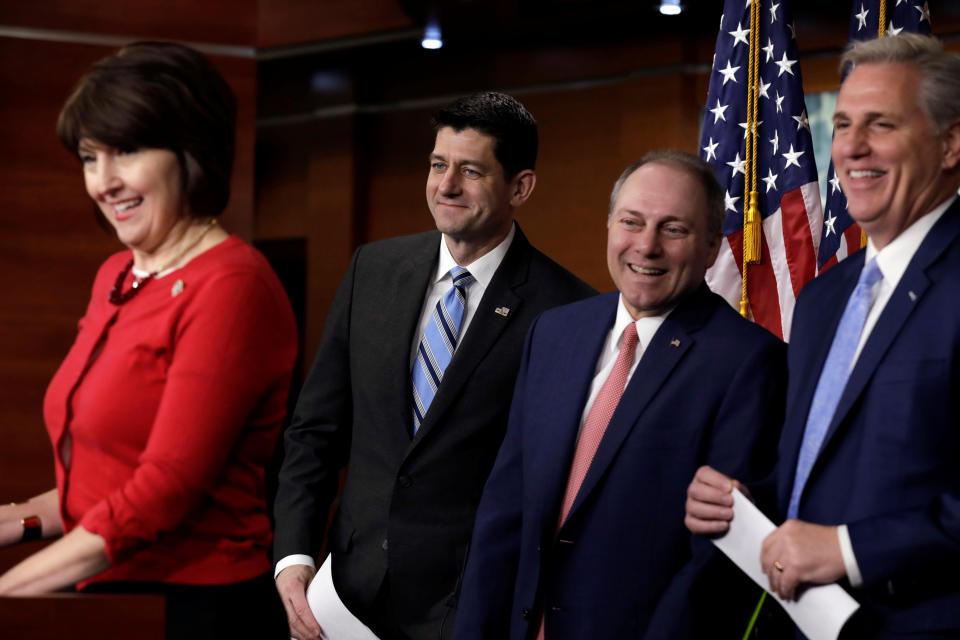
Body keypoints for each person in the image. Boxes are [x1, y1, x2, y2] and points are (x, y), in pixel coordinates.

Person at [272, 91, 595, 640]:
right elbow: (315, 431)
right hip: (342, 596)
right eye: (438, 165)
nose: (446, 186)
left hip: (470, 606)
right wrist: (294, 554)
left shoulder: (567, 311)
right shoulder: (372, 269)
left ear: (520, 187)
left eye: (470, 171)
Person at [0, 42, 297, 638]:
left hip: (196, 609)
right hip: (115, 598)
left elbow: (164, 490)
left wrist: (7, 591)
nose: (104, 182)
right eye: (89, 157)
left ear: (192, 153)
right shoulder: (117, 275)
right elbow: (108, 485)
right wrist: (20, 521)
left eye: (128, 151)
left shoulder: (232, 284)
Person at [685, 33, 960, 636]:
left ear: (949, 144)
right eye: (842, 125)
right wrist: (747, 503)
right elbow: (820, 469)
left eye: (881, 124)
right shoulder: (823, 300)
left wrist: (849, 550)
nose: (852, 148)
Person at [452, 151, 787, 640]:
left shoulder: (748, 362)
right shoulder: (556, 333)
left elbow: (716, 558)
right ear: (610, 226)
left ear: (713, 246)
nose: (646, 246)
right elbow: (505, 510)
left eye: (673, 229)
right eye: (631, 222)